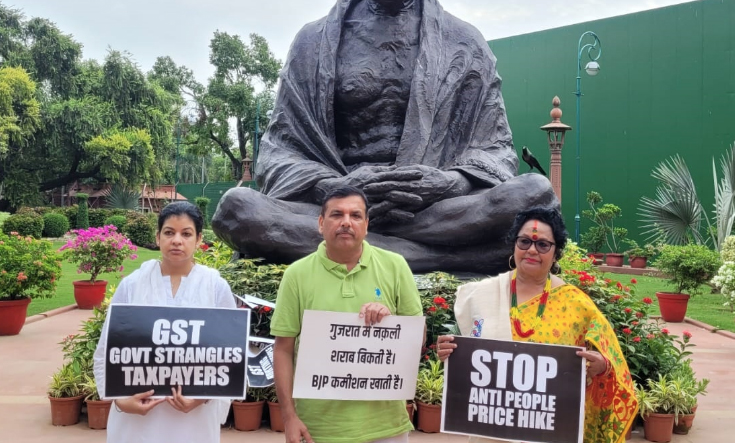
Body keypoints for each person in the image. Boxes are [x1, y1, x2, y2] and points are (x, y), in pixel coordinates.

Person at [212, 0, 556, 275]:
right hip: (338, 206)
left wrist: (448, 184)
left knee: (534, 191)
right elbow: (279, 154)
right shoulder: (312, 43)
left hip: (435, 209)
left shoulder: (465, 44)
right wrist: (337, 188)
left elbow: (496, 152)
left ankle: (364, 251)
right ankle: (445, 261)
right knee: (237, 209)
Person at [436, 207, 638, 443]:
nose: (532, 250)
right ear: (514, 245)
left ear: (556, 253)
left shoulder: (575, 304)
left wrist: (602, 367)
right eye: (524, 242)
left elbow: (614, 366)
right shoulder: (481, 295)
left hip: (551, 429)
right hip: (493, 432)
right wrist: (450, 352)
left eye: (543, 244)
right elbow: (472, 362)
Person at [270, 186, 423, 443]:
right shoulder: (296, 274)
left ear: (366, 224)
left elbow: (417, 340)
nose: (346, 223)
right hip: (317, 427)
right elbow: (283, 349)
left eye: (355, 216)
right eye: (336, 214)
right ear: (321, 223)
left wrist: (392, 325)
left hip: (386, 427)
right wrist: (289, 418)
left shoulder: (395, 266)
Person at [93, 202, 236, 443]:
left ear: (199, 239)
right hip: (138, 424)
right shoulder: (133, 285)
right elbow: (106, 352)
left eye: (186, 233)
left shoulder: (215, 287)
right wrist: (119, 400)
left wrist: (201, 397)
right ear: (158, 237)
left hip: (195, 420)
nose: (177, 240)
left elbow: (231, 356)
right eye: (169, 232)